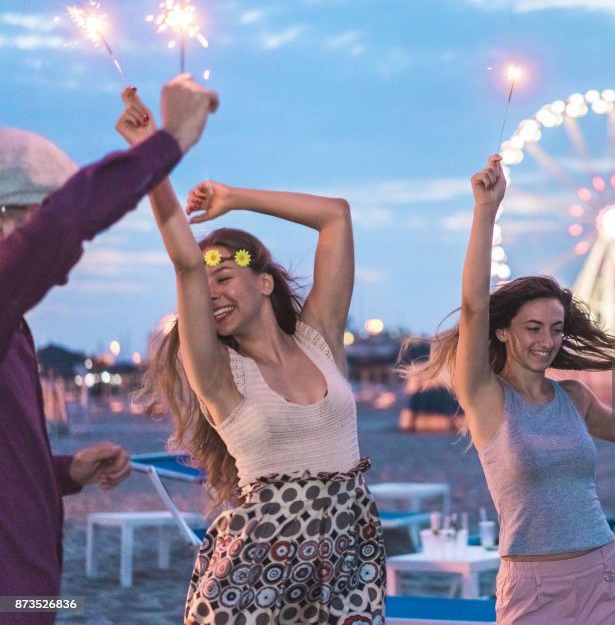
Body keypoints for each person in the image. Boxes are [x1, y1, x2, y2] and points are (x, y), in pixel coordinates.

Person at [117, 92, 383, 623]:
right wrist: (151, 151)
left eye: (225, 276)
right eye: (204, 281)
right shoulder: (219, 374)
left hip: (349, 559)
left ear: (263, 282)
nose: (211, 291)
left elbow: (335, 216)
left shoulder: (319, 339)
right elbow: (185, 264)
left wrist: (235, 197)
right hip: (255, 574)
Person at [0, 76, 217, 623]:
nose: (64, 276)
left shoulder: (14, 332)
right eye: (30, 220)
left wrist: (68, 471)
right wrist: (167, 142)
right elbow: (60, 227)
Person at [412, 155, 615, 625]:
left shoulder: (573, 397)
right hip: (532, 586)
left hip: (601, 573)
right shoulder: (487, 398)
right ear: (503, 331)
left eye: (555, 329)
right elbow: (471, 309)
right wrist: (486, 209)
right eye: (532, 328)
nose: (546, 342)